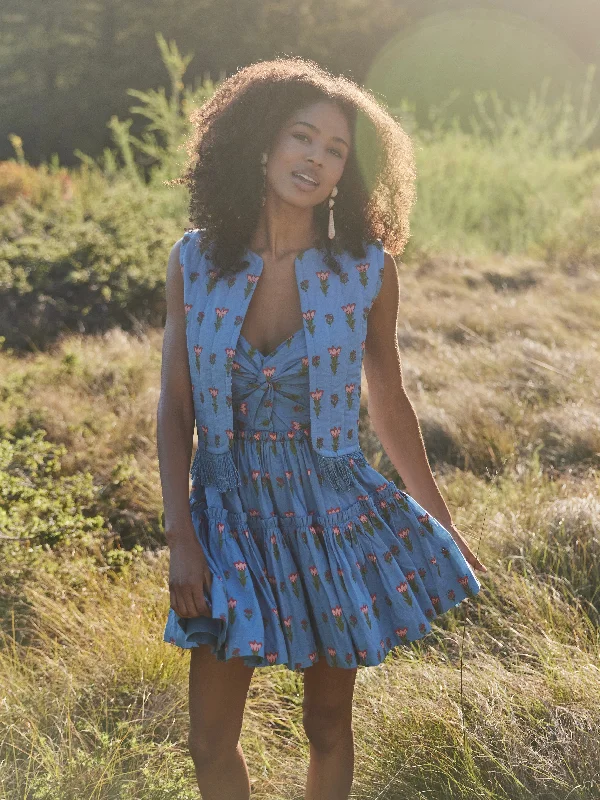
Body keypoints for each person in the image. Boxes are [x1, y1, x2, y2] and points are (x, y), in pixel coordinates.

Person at [157, 56, 487, 800]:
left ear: (348, 173)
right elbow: (174, 409)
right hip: (226, 509)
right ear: (263, 145)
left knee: (329, 728)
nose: (315, 158)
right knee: (208, 741)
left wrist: (441, 521)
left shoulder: (367, 270)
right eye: (302, 137)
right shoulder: (195, 261)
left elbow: (391, 403)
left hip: (329, 508)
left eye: (336, 150)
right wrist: (181, 534)